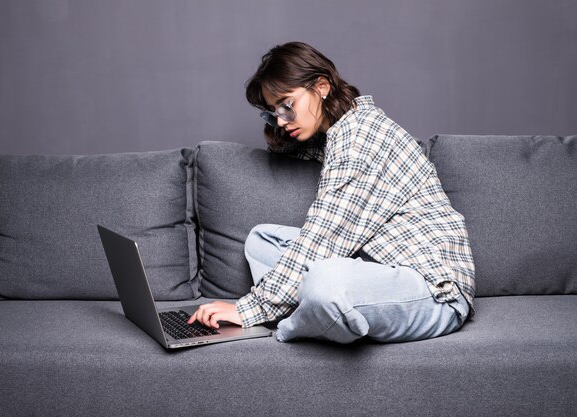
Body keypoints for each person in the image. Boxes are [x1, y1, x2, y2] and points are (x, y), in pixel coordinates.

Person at [188, 41, 475, 344]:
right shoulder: (337, 135)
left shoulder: (359, 139)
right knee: (262, 240)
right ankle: (322, 311)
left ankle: (294, 322)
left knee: (325, 284)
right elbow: (299, 151)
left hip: (433, 291)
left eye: (287, 104)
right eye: (273, 113)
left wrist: (247, 310)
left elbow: (325, 237)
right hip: (377, 266)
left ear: (322, 86)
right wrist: (285, 123)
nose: (282, 121)